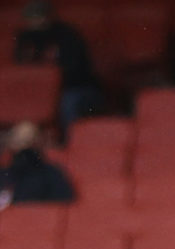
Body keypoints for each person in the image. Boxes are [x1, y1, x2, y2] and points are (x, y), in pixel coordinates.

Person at [14, 0, 102, 140]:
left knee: (68, 103)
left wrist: (52, 83)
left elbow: (76, 70)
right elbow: (21, 69)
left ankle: (70, 143)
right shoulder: (25, 37)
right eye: (30, 18)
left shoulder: (67, 35)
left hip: (73, 88)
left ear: (47, 16)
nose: (34, 21)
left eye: (37, 17)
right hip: (39, 91)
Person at [0, 121, 75, 206]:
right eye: (19, 141)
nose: (24, 147)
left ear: (38, 143)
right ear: (11, 143)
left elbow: (63, 208)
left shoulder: (52, 174)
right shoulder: (3, 175)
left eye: (28, 141)